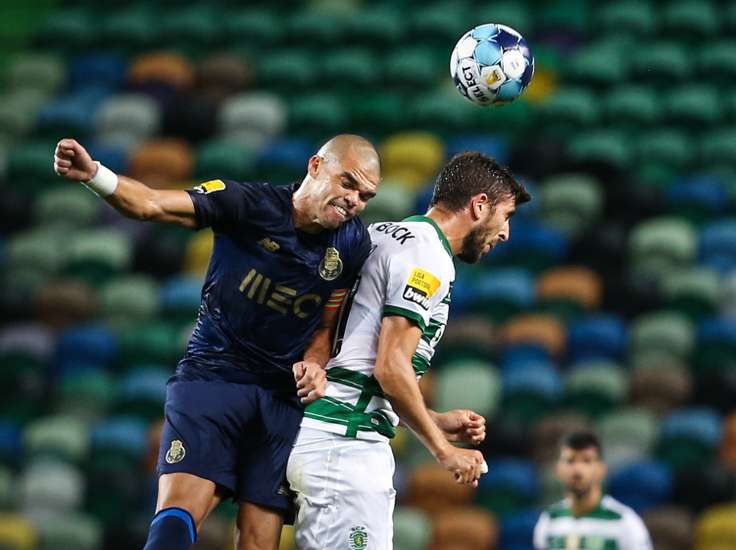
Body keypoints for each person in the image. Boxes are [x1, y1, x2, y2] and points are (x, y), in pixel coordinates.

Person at [52, 135, 381, 550]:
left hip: (282, 402)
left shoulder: (353, 244)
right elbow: (151, 203)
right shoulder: (247, 205)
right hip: (213, 380)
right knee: (174, 524)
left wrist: (315, 364)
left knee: (259, 543)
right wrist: (95, 175)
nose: (354, 200)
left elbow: (324, 327)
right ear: (316, 165)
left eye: (365, 195)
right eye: (348, 183)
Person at [286, 151, 531, 549]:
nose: (505, 233)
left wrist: (432, 418)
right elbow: (389, 366)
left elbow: (357, 363)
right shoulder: (428, 258)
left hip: (315, 430)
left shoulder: (382, 232)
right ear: (479, 205)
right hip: (344, 448)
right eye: (506, 217)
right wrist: (443, 449)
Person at [533, 431, 653, 550]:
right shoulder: (550, 519)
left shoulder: (623, 520)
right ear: (557, 469)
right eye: (570, 461)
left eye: (587, 461)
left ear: (601, 469)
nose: (577, 470)